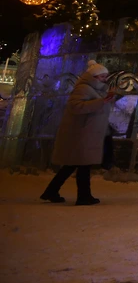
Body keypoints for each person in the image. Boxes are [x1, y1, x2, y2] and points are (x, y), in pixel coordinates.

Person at [41, 60, 116, 205]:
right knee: (83, 165)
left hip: (89, 133)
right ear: (93, 77)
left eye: (106, 77)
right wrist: (102, 102)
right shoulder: (83, 88)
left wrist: (107, 100)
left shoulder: (97, 90)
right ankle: (83, 196)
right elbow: (76, 107)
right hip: (82, 133)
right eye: (102, 77)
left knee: (72, 165)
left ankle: (51, 191)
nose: (105, 79)